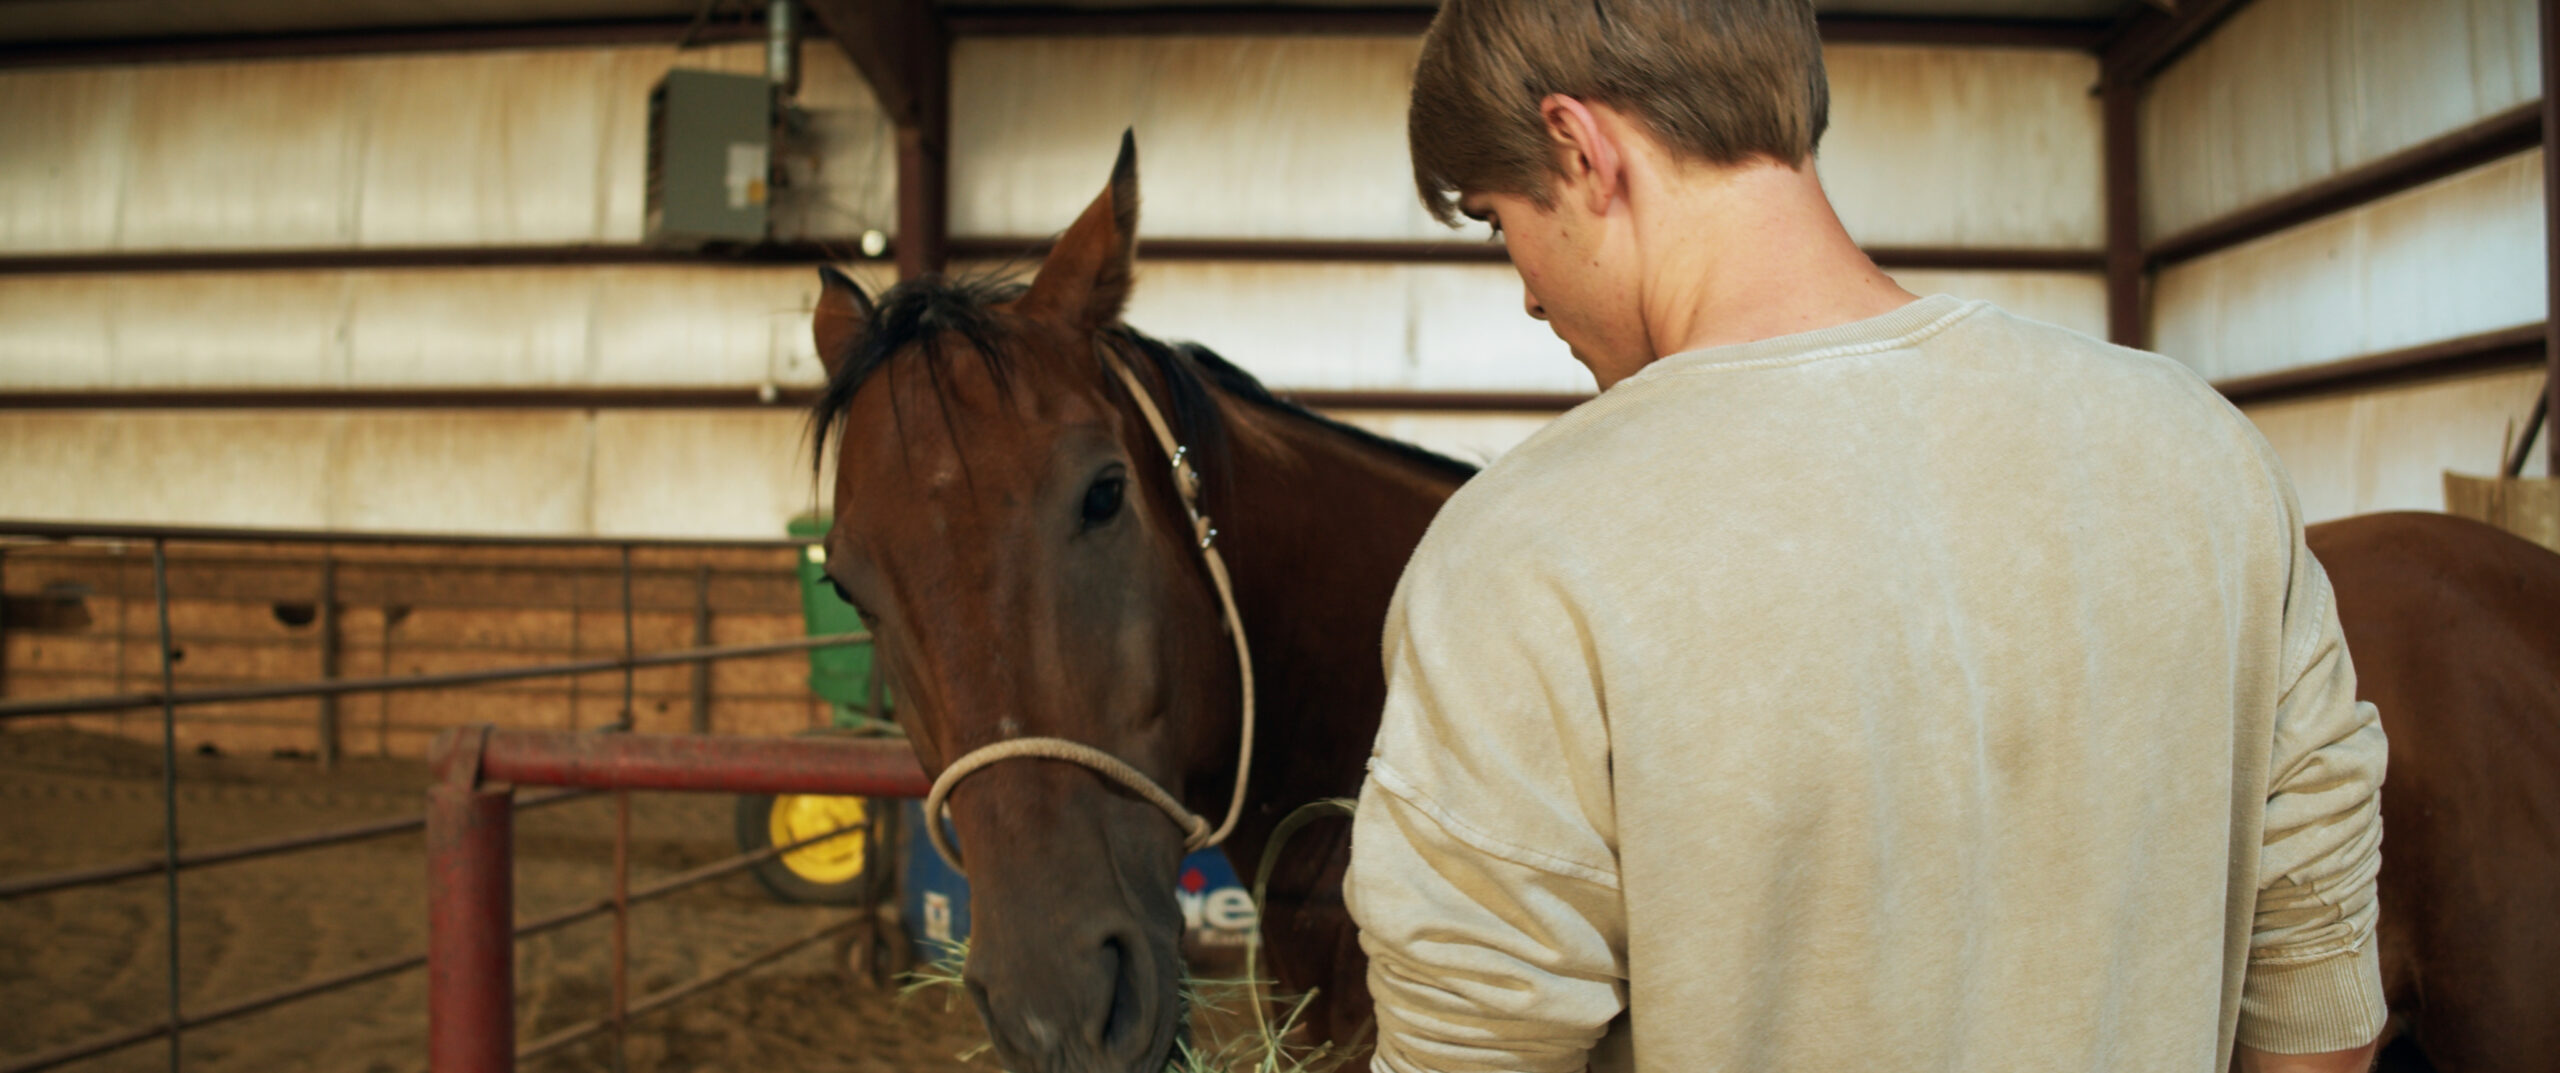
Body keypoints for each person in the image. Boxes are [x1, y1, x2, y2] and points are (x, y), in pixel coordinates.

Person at [1339, 1, 2390, 1071]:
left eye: (1494, 217)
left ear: (1580, 147)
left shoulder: (1519, 553)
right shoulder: (2203, 455)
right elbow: (2318, 994)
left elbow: (1475, 1046)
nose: (1523, 291)